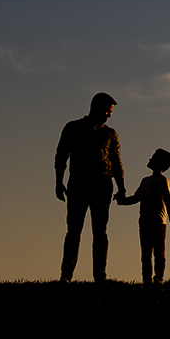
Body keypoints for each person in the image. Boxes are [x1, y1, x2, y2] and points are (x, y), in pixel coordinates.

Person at [54, 92, 126, 282]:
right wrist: (58, 181)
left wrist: (122, 188)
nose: (109, 115)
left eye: (110, 112)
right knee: (73, 230)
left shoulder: (111, 133)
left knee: (100, 232)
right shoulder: (72, 127)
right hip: (78, 183)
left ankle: (100, 277)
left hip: (103, 185)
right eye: (107, 111)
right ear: (96, 108)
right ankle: (66, 275)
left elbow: (116, 162)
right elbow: (61, 156)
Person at [115, 149, 170, 284]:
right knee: (146, 253)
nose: (149, 159)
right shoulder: (145, 180)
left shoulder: (163, 180)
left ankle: (158, 277)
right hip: (144, 222)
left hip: (158, 222)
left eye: (153, 158)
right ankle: (146, 279)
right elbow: (136, 197)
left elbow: (168, 200)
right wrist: (122, 201)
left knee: (158, 252)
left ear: (160, 163)